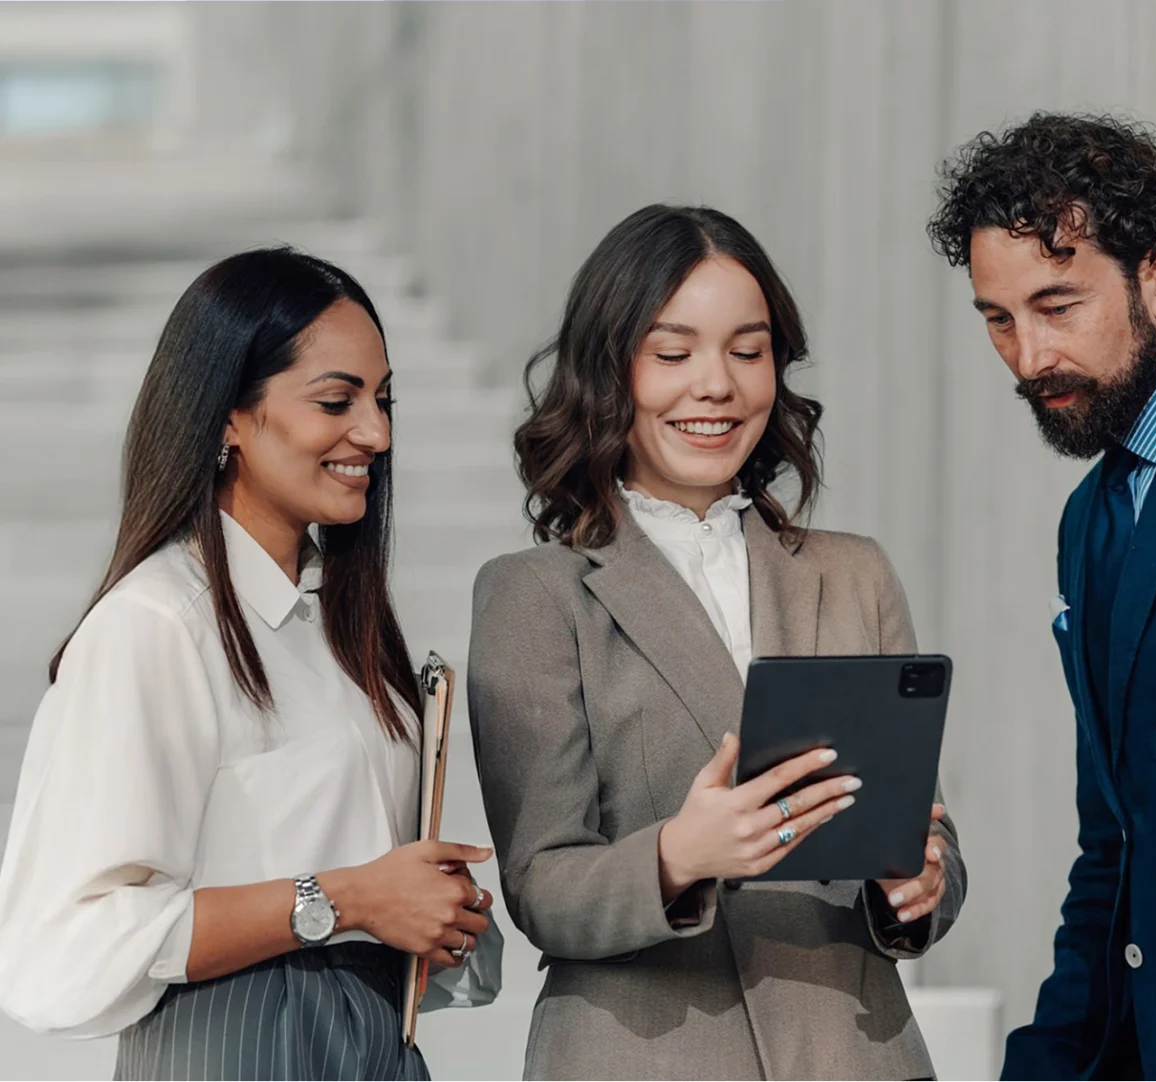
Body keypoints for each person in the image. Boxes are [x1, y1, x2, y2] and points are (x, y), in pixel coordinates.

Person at [467, 204, 966, 1080]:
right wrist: (678, 855)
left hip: (852, 1051)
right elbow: (540, 887)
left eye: (748, 350)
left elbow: (924, 828)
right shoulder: (533, 595)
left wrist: (923, 885)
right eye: (673, 353)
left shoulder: (855, 574)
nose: (718, 386)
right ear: (607, 370)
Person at [0, 247, 502, 1080]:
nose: (375, 433)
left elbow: (376, 904)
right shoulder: (156, 626)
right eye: (337, 401)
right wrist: (345, 897)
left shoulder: (349, 629)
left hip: (373, 1047)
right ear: (229, 416)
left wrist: (437, 913)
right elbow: (61, 942)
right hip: (233, 1048)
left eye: (383, 401)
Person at [928, 113, 1156, 1080]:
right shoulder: (1091, 514)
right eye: (999, 319)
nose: (1029, 357)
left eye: (1057, 305)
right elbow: (1115, 840)